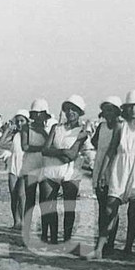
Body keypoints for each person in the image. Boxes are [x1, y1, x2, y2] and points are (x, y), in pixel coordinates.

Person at [90, 89, 135, 259]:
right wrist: (103, 173)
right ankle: (100, 247)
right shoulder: (121, 126)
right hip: (120, 167)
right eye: (131, 106)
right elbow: (111, 150)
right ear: (125, 108)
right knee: (110, 208)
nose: (134, 110)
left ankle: (128, 248)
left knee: (133, 211)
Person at [39, 96, 90, 244]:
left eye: (74, 109)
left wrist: (56, 152)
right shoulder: (56, 128)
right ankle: (52, 237)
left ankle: (67, 239)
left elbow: (72, 155)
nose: (70, 112)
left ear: (80, 112)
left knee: (69, 207)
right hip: (51, 169)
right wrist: (63, 152)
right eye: (68, 109)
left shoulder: (82, 132)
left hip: (71, 172)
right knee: (48, 204)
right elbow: (44, 150)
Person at [91, 97, 123, 256]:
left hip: (113, 167)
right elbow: (94, 141)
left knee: (111, 208)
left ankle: (110, 242)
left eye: (110, 110)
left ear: (117, 111)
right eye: (105, 110)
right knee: (102, 206)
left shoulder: (119, 127)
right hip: (100, 164)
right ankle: (103, 241)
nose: (107, 113)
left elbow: (115, 148)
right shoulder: (101, 126)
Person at [20, 99, 52, 238]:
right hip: (31, 166)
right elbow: (25, 146)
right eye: (36, 113)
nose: (38, 116)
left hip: (44, 165)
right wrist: (43, 148)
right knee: (30, 200)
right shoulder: (26, 128)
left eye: (41, 113)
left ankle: (44, 233)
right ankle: (26, 231)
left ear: (45, 114)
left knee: (45, 200)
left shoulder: (49, 128)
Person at [0, 109, 30, 229]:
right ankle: (16, 222)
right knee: (13, 195)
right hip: (13, 165)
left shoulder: (30, 135)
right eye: (18, 121)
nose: (20, 123)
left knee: (21, 194)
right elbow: (0, 144)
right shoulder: (14, 135)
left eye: (22, 121)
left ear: (27, 121)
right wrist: (7, 130)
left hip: (25, 166)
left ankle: (24, 222)